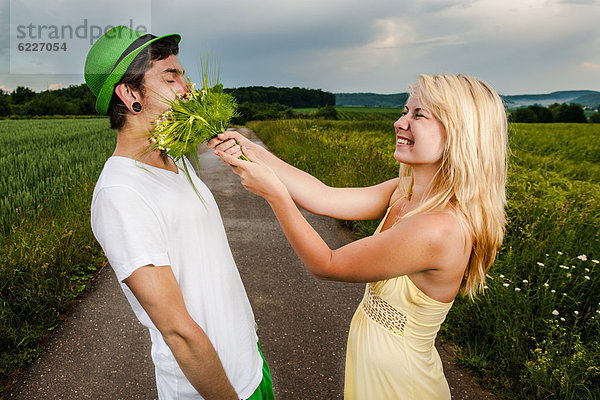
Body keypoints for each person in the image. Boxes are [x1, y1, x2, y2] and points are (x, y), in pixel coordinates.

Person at [211, 74, 507, 399]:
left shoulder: (439, 228)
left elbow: (328, 263)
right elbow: (323, 196)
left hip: (401, 385)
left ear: (460, 133)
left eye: (418, 115)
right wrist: (250, 150)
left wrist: (276, 196)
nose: (399, 122)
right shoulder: (402, 192)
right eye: (404, 111)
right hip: (375, 370)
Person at [84, 25, 274, 400]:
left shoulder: (176, 161)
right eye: (171, 77)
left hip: (249, 363)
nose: (187, 87)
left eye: (183, 75)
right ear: (130, 94)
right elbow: (177, 331)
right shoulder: (120, 194)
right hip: (210, 390)